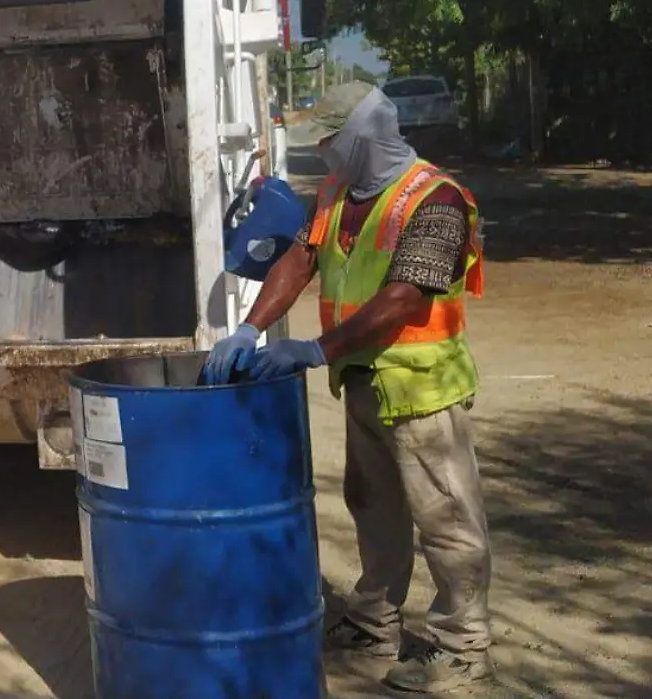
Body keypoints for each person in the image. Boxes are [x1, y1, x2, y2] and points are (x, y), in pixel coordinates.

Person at [202, 82, 493, 694]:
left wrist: (314, 350)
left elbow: (405, 296)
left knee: (446, 520)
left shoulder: (434, 199)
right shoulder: (338, 192)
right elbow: (302, 259)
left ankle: (463, 647)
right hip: (363, 384)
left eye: (333, 139)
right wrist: (250, 329)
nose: (325, 151)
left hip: (422, 390)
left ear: (364, 134)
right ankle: (374, 624)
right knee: (373, 510)